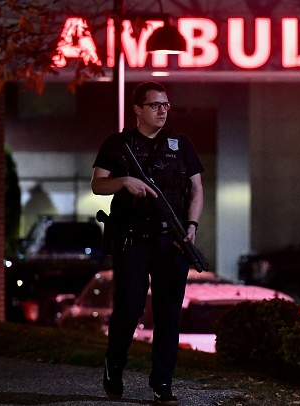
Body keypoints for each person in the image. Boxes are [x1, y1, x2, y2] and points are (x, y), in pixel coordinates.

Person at [91, 81, 204, 405]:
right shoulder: (119, 143)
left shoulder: (181, 145)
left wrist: (192, 226)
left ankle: (162, 384)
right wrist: (124, 181)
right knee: (129, 309)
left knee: (168, 314)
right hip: (133, 240)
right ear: (138, 109)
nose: (162, 111)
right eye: (155, 105)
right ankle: (114, 366)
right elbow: (98, 184)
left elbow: (196, 189)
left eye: (166, 105)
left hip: (173, 240)